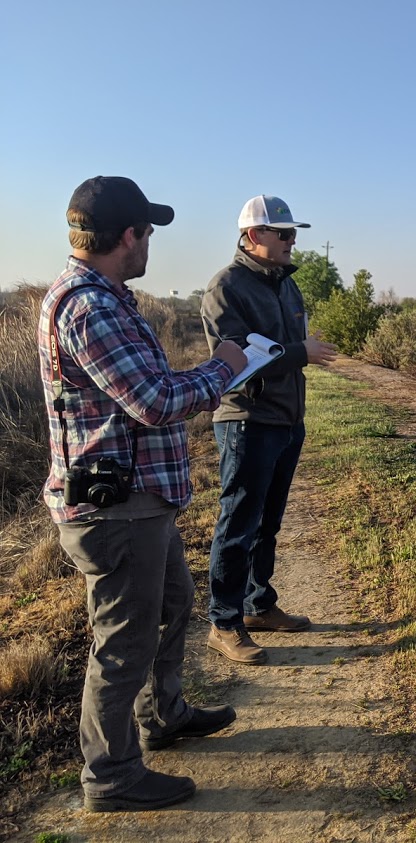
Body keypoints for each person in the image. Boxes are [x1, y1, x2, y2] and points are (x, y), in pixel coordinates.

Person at [38, 176, 249, 812]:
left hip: (138, 500)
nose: (152, 242)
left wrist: (209, 371)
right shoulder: (90, 308)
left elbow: (146, 385)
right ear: (126, 236)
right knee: (123, 639)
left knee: (175, 601)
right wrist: (226, 369)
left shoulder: (110, 298)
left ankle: (166, 714)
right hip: (116, 508)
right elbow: (155, 402)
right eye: (149, 232)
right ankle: (111, 777)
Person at [200, 195, 337, 665]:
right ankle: (224, 622)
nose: (292, 240)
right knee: (238, 523)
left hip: (285, 420)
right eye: (283, 233)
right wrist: (301, 352)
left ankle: (259, 605)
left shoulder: (286, 286)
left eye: (294, 233)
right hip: (246, 421)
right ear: (254, 235)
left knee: (268, 523)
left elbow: (284, 348)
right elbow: (234, 360)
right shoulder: (227, 287)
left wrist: (297, 354)